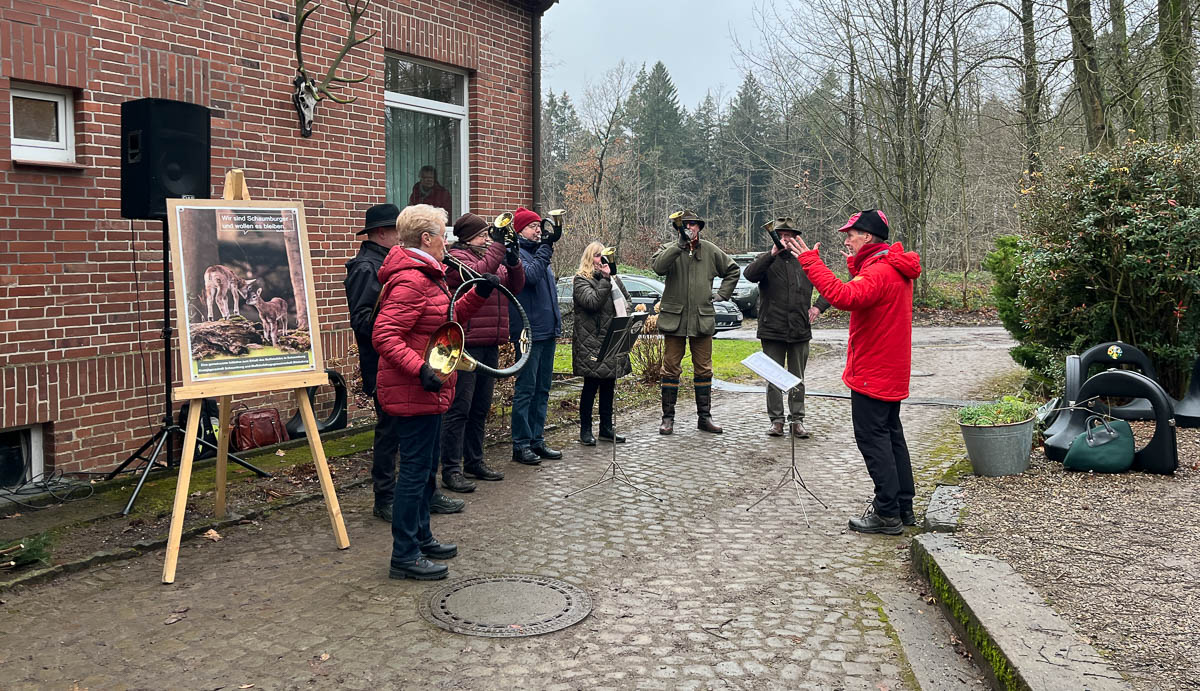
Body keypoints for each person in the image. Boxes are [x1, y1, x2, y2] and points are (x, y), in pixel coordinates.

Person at [373, 204, 499, 580]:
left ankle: (421, 538)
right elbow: (384, 335)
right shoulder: (412, 279)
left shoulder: (429, 276)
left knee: (426, 470)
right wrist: (420, 369)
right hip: (413, 390)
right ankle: (404, 555)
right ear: (426, 239)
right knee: (414, 474)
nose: (447, 242)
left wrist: (478, 294)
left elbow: (446, 320)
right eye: (443, 235)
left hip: (427, 391)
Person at [786, 209, 923, 535]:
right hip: (889, 371)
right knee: (892, 436)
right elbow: (866, 290)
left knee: (874, 441)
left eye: (851, 234)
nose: (847, 240)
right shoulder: (890, 266)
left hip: (872, 373)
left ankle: (886, 513)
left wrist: (810, 262)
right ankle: (903, 506)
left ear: (868, 236)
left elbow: (843, 296)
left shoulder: (880, 272)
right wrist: (854, 263)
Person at [343, 203, 465, 521]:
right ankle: (385, 497)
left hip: (405, 361)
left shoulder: (404, 265)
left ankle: (427, 495)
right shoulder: (366, 267)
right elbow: (364, 321)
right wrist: (404, 331)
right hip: (387, 364)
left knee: (418, 445)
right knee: (390, 434)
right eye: (394, 230)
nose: (399, 236)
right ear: (381, 233)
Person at [439, 213, 526, 492]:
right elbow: (477, 274)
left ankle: (474, 461)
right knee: (459, 409)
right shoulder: (456, 259)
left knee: (480, 407)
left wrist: (513, 260)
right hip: (468, 342)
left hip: (490, 341)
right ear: (466, 238)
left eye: (488, 235)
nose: (487, 239)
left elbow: (515, 286)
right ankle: (451, 468)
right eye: (482, 236)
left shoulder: (490, 257)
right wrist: (498, 247)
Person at [651, 209, 739, 435]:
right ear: (678, 228)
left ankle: (704, 418)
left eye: (692, 224)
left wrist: (722, 295)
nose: (688, 227)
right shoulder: (669, 249)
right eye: (684, 224)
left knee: (704, 369)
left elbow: (733, 270)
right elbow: (658, 268)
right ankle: (667, 419)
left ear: (699, 227)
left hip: (702, 319)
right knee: (670, 369)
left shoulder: (710, 250)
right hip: (675, 319)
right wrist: (678, 247)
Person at [742, 218, 829, 439]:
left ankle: (797, 420)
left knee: (797, 378)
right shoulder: (766, 260)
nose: (784, 239)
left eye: (788, 235)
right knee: (773, 378)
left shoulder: (806, 260)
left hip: (800, 329)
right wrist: (771, 254)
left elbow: (829, 286)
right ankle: (777, 421)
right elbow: (749, 275)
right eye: (780, 235)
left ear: (796, 238)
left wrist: (818, 308)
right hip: (772, 329)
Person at [508, 207, 563, 465]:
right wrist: (546, 249)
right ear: (520, 230)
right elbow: (529, 277)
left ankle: (536, 439)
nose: (539, 231)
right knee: (526, 390)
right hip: (528, 333)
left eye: (539, 226)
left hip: (546, 332)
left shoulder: (540, 254)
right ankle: (521, 444)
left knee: (542, 389)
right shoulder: (517, 254)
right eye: (532, 227)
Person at [572, 242, 633, 445]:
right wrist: (605, 280)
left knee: (609, 384)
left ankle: (606, 428)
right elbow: (592, 302)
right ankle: (585, 430)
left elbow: (627, 300)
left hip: (611, 337)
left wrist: (623, 313)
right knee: (590, 386)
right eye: (598, 255)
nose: (602, 259)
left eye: (604, 255)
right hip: (591, 341)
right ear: (590, 258)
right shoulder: (581, 280)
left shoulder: (614, 279)